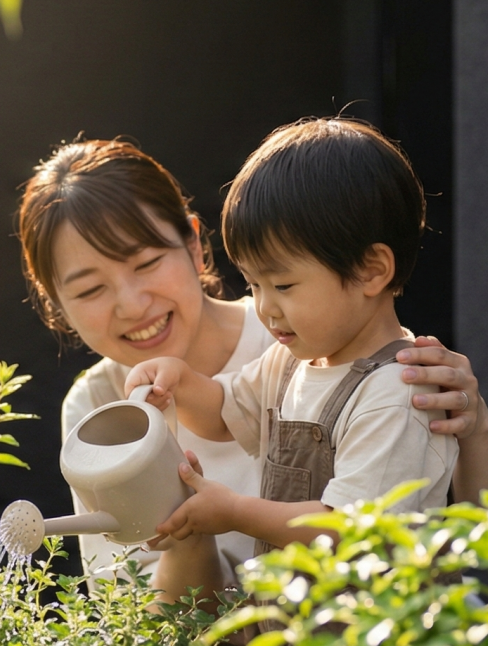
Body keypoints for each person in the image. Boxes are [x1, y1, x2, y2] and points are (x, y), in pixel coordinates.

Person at [15, 137, 488, 603]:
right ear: (54, 305)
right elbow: (224, 411)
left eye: (145, 263)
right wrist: (183, 382)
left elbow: (486, 521)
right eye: (90, 290)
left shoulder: (361, 364)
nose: (131, 304)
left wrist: (477, 425)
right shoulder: (289, 350)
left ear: (193, 243)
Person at [124, 118, 456, 553]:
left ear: (371, 270)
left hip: (369, 620)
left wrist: (236, 512)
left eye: (283, 286)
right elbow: (225, 413)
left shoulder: (398, 391)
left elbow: (349, 528)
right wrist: (180, 383)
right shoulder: (292, 362)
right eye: (253, 285)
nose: (265, 307)